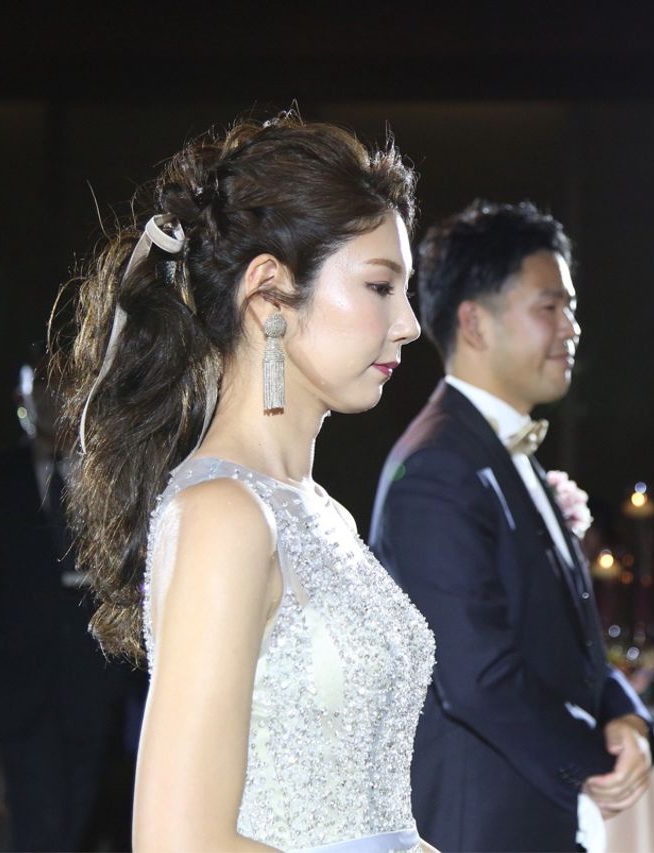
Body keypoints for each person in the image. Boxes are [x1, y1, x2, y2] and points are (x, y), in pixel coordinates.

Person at [57, 113, 434, 852]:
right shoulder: (223, 514)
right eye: (380, 286)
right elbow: (178, 842)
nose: (410, 324)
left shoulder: (322, 513)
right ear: (269, 293)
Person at [370, 200, 654, 852]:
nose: (572, 327)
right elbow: (477, 677)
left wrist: (628, 719)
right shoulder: (438, 467)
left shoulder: (506, 452)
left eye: (571, 308)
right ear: (474, 322)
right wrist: (595, 756)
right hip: (483, 830)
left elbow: (570, 649)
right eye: (550, 307)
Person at [0, 347, 129, 851]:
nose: (55, 399)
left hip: (94, 674)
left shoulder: (111, 472)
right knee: (41, 817)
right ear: (23, 397)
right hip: (18, 675)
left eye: (65, 386)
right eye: (44, 388)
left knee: (78, 811)